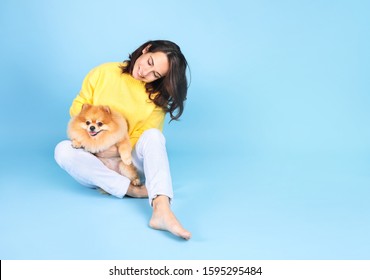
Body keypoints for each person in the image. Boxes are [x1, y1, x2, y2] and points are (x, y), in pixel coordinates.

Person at [54, 40, 191, 240]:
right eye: (149, 62)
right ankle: (133, 191)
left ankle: (162, 208)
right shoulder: (103, 73)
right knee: (62, 150)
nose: (146, 73)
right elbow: (78, 109)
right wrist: (95, 142)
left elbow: (143, 134)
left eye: (156, 74)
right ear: (146, 50)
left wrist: (114, 149)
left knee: (154, 136)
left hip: (127, 160)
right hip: (92, 158)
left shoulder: (155, 97)